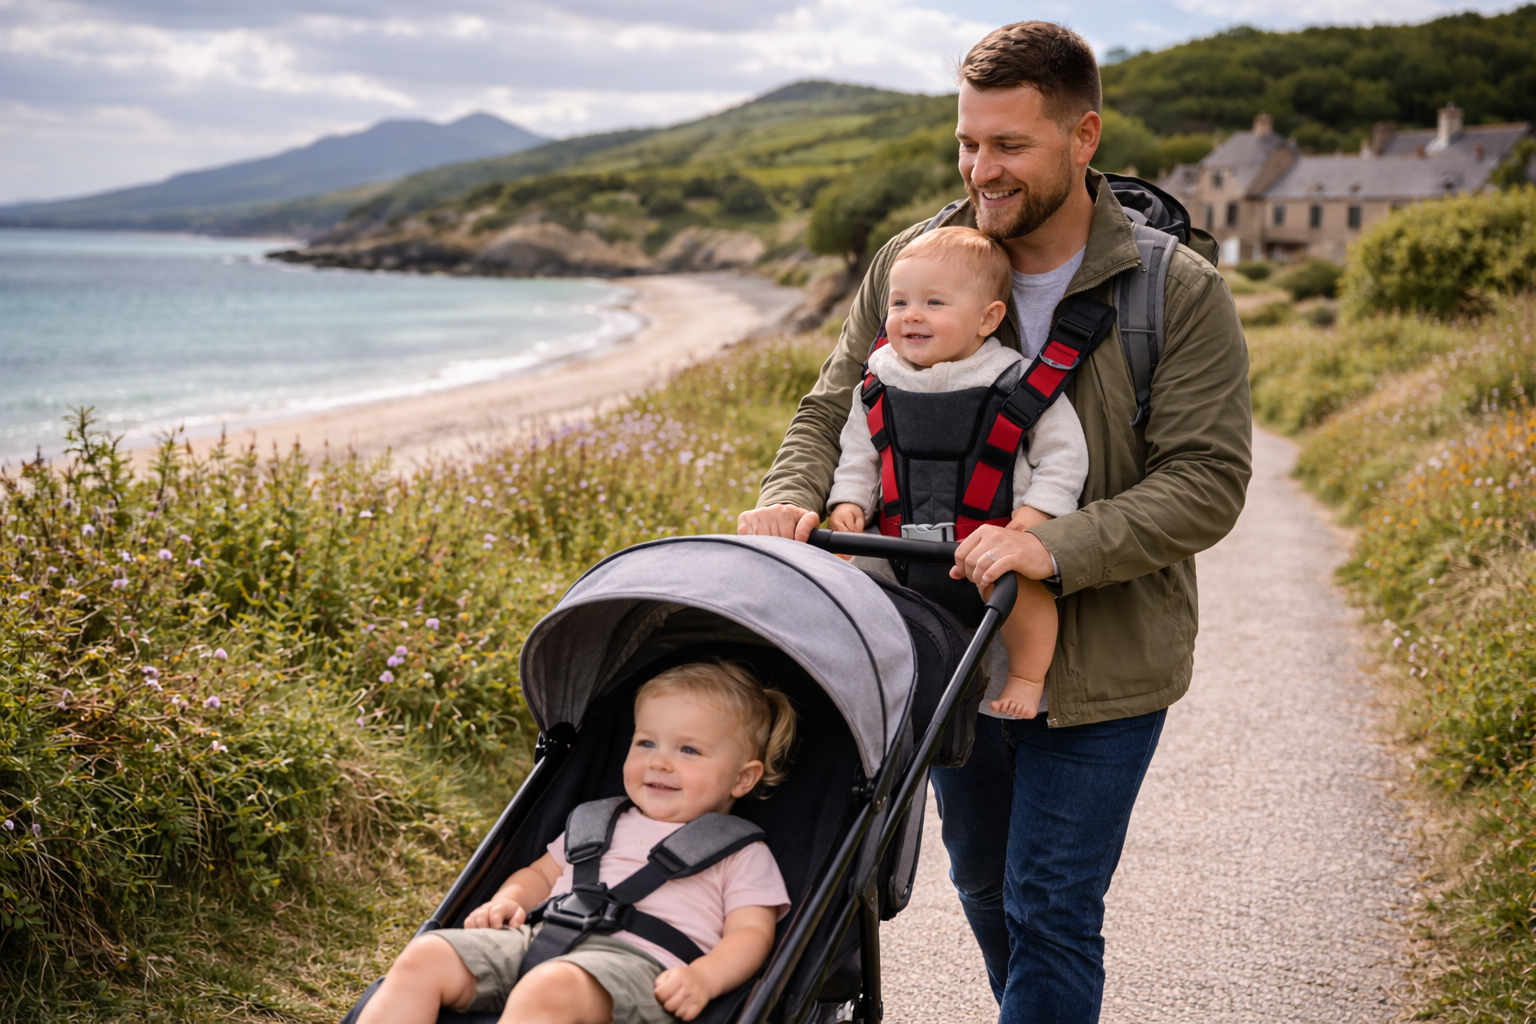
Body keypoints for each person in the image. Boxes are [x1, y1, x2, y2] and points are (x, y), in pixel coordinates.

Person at [738, 20, 1251, 1024]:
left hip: (1108, 664)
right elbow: (833, 405)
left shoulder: (1175, 293)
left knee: (1050, 905)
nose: (983, 169)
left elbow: (1207, 482)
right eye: (969, 143)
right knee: (984, 893)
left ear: (1083, 136)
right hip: (946, 649)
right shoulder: (916, 260)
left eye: (1009, 145)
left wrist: (1047, 544)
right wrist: (796, 491)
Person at [358, 661, 794, 1024]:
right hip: (543, 939)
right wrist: (509, 899)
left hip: (636, 971)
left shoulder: (741, 853)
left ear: (743, 778)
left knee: (551, 986)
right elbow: (539, 875)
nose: (659, 762)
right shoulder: (596, 821)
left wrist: (705, 978)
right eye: (646, 742)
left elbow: (750, 935)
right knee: (427, 954)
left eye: (689, 751)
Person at [826, 225, 1088, 719]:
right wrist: (849, 503)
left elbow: (1064, 454)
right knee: (851, 583)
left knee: (1020, 591)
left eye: (934, 303)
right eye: (899, 303)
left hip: (988, 541)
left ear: (988, 318)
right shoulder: (879, 378)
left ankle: (1028, 677)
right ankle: (865, 679)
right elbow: (860, 451)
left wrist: (1038, 513)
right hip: (896, 543)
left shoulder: (1016, 381)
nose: (912, 316)